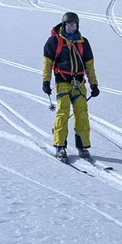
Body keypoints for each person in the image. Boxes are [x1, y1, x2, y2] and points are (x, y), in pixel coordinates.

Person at [42, 11, 100, 161]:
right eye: (68, 24)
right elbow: (47, 63)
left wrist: (94, 84)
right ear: (64, 24)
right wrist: (46, 81)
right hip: (62, 82)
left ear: (77, 25)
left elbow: (89, 65)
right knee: (63, 112)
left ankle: (83, 147)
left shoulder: (83, 42)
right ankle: (60, 146)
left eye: (74, 24)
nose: (71, 27)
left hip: (79, 83)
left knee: (82, 114)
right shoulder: (54, 41)